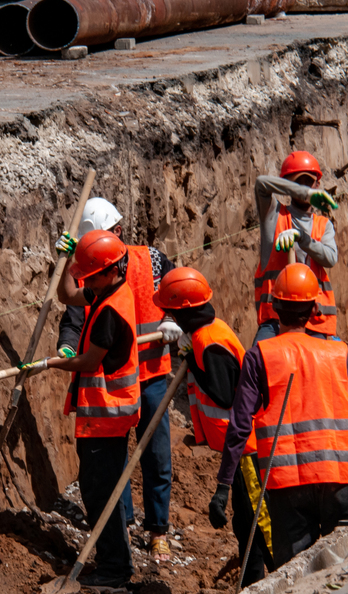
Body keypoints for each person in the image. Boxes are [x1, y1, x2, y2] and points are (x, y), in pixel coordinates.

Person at [210, 264, 348, 566]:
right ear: (314, 308)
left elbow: (240, 425)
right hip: (340, 478)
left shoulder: (260, 355)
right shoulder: (337, 354)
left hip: (287, 486)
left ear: (273, 307)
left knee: (297, 574)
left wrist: (223, 486)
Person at [54, 197, 181, 559]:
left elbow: (176, 291)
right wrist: (65, 261)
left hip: (153, 375)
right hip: (118, 386)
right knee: (115, 458)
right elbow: (72, 308)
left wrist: (173, 319)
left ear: (119, 232)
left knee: (156, 456)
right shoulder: (100, 271)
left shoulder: (151, 260)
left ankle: (158, 531)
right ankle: (120, 524)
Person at [21, 230, 140, 589]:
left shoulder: (111, 311)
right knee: (97, 490)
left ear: (109, 271)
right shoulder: (109, 289)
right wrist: (70, 266)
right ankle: (112, 562)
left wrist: (50, 364)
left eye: (90, 273)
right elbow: (69, 295)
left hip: (108, 415)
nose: (86, 280)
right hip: (105, 416)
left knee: (100, 494)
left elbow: (89, 361)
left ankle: (114, 572)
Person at [152, 267, 275, 586]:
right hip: (238, 448)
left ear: (184, 311)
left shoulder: (208, 341)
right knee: (246, 524)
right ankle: (252, 583)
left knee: (259, 524)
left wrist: (190, 359)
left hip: (247, 448)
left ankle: (287, 574)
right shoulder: (207, 332)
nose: (170, 317)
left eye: (172, 312)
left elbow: (223, 393)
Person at [253, 151, 339, 345]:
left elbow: (330, 258)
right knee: (257, 362)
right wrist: (303, 192)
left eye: (309, 182)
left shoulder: (323, 225)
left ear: (317, 184)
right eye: (297, 182)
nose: (304, 186)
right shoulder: (274, 216)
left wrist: (303, 239)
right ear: (287, 186)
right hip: (276, 319)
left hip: (314, 319)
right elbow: (261, 184)